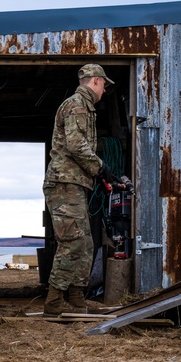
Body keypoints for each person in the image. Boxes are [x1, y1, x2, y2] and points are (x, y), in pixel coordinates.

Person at [42, 64, 116, 316]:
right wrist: (100, 167)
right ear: (95, 81)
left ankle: (75, 296)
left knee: (85, 242)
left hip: (75, 182)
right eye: (104, 84)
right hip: (64, 182)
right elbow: (75, 145)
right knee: (72, 241)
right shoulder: (77, 105)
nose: (104, 90)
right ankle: (54, 300)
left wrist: (98, 172)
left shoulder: (85, 107)